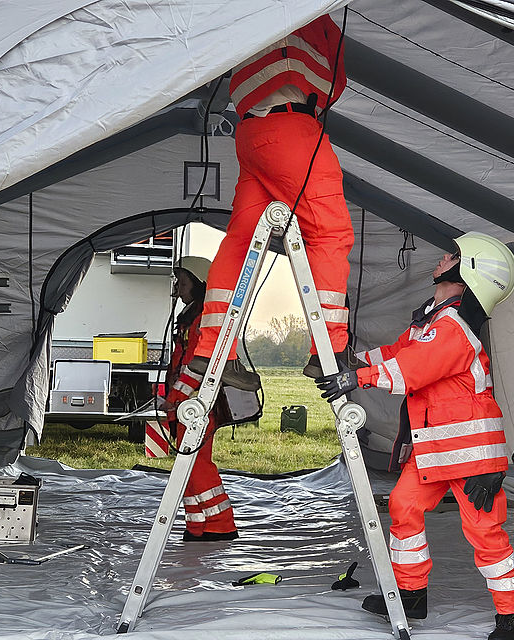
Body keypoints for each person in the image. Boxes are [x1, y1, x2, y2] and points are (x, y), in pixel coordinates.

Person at [315, 233, 514, 640]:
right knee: (403, 505)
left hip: (471, 457)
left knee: (486, 534)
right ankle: (411, 594)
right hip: (436, 451)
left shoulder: (452, 328)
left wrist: (354, 378)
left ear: (468, 273)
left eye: (454, 255)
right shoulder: (433, 319)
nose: (443, 257)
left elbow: (413, 369)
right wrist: (350, 359)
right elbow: (399, 352)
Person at [189, 13, 367, 386]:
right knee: (330, 233)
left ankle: (212, 351)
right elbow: (335, 80)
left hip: (251, 132)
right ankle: (329, 350)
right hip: (291, 128)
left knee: (240, 239)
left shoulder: (245, 17)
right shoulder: (306, 12)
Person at [163, 256, 238, 541]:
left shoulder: (202, 321)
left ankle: (221, 524)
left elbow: (198, 365)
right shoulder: (191, 317)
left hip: (195, 405)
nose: (178, 289)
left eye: (182, 283)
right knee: (188, 466)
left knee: (197, 465)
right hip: (186, 405)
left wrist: (174, 397)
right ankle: (197, 525)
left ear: (199, 284)